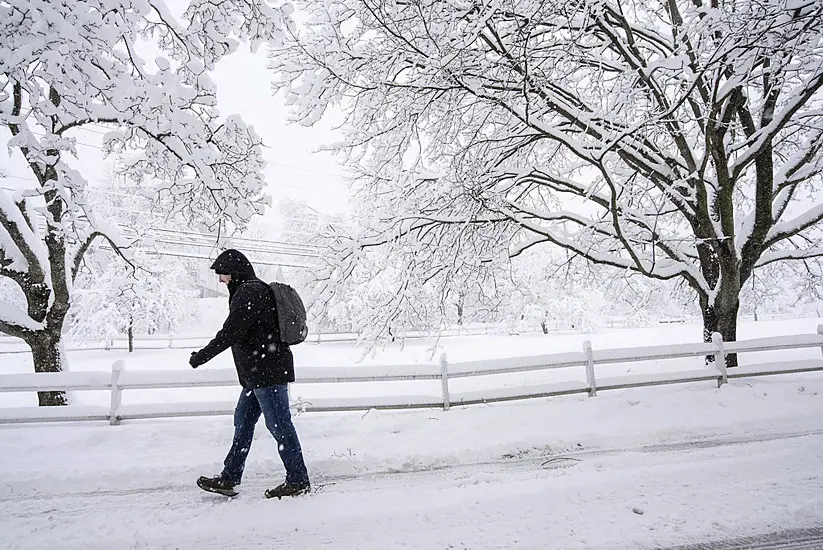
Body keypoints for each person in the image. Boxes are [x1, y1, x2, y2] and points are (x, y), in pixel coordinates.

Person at [189, 249, 311, 499]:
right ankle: (230, 477)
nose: (220, 280)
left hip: (268, 372)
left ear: (233, 272)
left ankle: (298, 479)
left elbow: (230, 332)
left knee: (279, 425)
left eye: (222, 274)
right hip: (257, 374)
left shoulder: (250, 292)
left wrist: (201, 356)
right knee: (243, 422)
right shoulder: (248, 291)